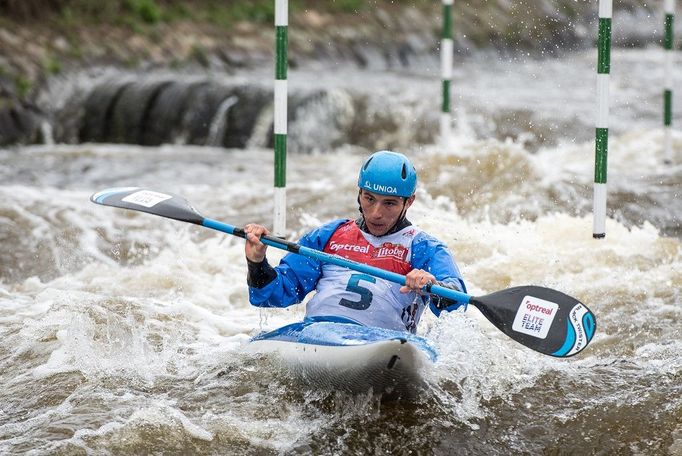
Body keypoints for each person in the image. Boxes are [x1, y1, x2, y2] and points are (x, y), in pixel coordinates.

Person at [244, 150, 466, 333]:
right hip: (317, 333)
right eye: (369, 199)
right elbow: (276, 294)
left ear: (409, 202)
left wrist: (433, 285)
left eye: (389, 203)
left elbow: (457, 302)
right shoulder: (328, 235)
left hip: (383, 343)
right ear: (359, 193)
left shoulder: (424, 247)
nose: (376, 213)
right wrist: (256, 262)